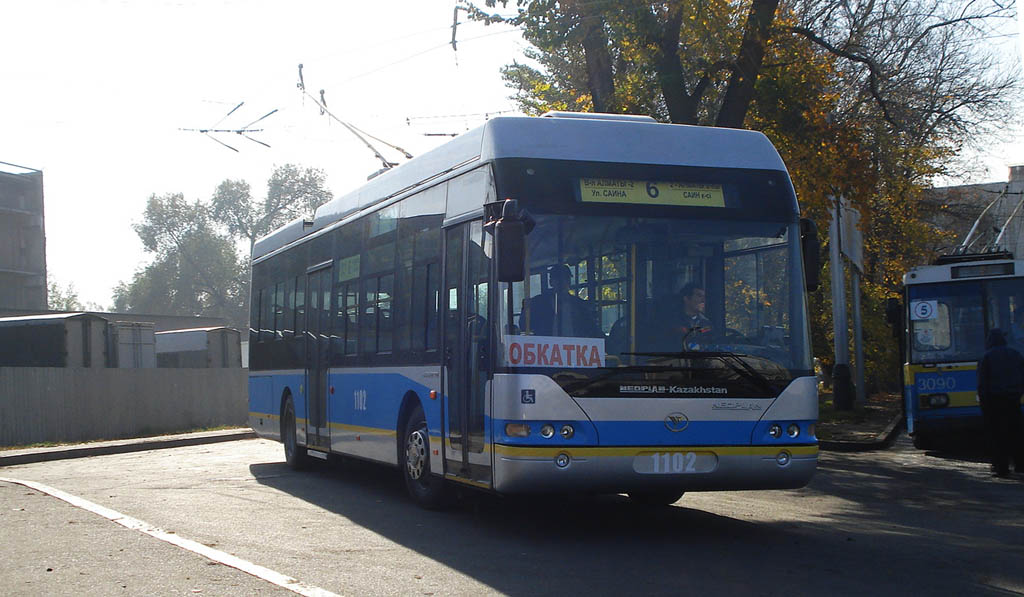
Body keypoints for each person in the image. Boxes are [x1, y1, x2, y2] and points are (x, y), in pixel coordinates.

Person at [976, 328, 1024, 478]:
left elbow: (982, 384)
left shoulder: (986, 357)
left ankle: (1001, 467)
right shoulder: (1016, 354)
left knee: (997, 436)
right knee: (1016, 433)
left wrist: (984, 403)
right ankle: (1020, 464)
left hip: (994, 403)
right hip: (1013, 400)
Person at [525, 265, 602, 337]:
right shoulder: (538, 303)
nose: (563, 283)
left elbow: (591, 329)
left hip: (575, 349)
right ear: (551, 282)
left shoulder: (579, 304)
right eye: (558, 279)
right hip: (546, 348)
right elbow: (525, 326)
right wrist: (526, 309)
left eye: (566, 279)